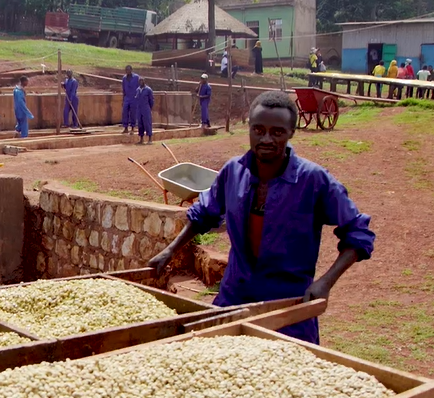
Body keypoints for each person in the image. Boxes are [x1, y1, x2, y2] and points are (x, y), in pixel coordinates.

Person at [148, 90, 374, 344]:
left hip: (288, 305)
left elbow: (358, 233)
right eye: (258, 130)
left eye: (277, 132)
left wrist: (325, 283)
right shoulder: (233, 172)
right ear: (249, 129)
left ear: (291, 133)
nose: (266, 138)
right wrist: (171, 249)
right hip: (235, 295)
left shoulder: (313, 180)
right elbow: (203, 214)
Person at [136, 78, 154, 145]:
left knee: (147, 123)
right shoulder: (137, 90)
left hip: (146, 109)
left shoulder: (148, 90)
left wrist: (149, 108)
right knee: (140, 124)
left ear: (144, 82)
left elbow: (151, 100)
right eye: (139, 81)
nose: (141, 82)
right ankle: (141, 139)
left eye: (142, 81)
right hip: (139, 109)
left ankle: (150, 139)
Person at [122, 65, 140, 133]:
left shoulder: (136, 77)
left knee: (133, 113)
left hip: (134, 98)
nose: (127, 71)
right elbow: (123, 89)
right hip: (127, 98)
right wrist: (123, 99)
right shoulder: (124, 78)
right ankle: (125, 127)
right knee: (125, 112)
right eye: (126, 70)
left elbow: (139, 87)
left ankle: (133, 127)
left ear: (131, 70)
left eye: (128, 70)